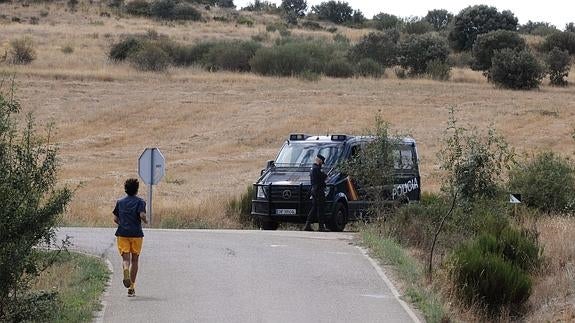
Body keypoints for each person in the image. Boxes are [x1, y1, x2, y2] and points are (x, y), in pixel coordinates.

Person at [113, 178, 147, 297]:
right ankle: (131, 287)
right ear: (137, 190)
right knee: (135, 260)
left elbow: (115, 219)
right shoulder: (140, 202)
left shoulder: (120, 202)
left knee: (125, 260)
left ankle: (125, 270)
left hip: (122, 234)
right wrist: (145, 220)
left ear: (125, 189)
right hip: (136, 234)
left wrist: (123, 224)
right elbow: (142, 214)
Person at [304, 154, 328, 232]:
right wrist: (325, 175)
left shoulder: (312, 168)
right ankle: (321, 227)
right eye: (322, 161)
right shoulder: (317, 169)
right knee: (320, 209)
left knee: (314, 208)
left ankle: (307, 225)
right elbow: (324, 176)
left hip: (314, 190)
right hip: (318, 191)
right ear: (319, 160)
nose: (322, 163)